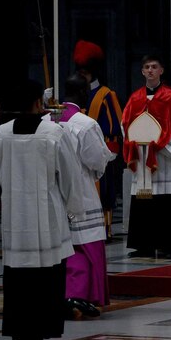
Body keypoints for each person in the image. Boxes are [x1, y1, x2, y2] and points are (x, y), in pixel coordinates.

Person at [0, 79, 83, 340]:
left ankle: (22, 335)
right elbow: (68, 174)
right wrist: (74, 206)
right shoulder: (53, 132)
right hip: (46, 216)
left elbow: (0, 173)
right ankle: (36, 339)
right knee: (45, 280)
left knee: (19, 280)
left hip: (15, 217)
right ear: (38, 102)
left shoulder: (1, 133)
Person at [122, 55, 171, 258]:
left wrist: (159, 144)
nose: (150, 70)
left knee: (167, 203)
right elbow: (125, 124)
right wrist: (134, 141)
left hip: (164, 159)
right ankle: (144, 245)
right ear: (142, 72)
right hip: (143, 157)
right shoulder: (135, 98)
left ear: (162, 71)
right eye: (146, 67)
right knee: (144, 200)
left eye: (154, 66)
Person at [57, 74, 114, 318]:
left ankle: (62, 296)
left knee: (64, 245)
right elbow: (96, 160)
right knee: (84, 244)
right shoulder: (85, 123)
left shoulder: (49, 119)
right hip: (80, 189)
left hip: (55, 192)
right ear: (83, 95)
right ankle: (83, 296)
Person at [74, 39, 123, 240]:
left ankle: (106, 227)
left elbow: (115, 125)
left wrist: (109, 153)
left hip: (101, 149)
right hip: (79, 150)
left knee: (103, 192)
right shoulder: (77, 94)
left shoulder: (106, 94)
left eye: (84, 72)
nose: (82, 75)